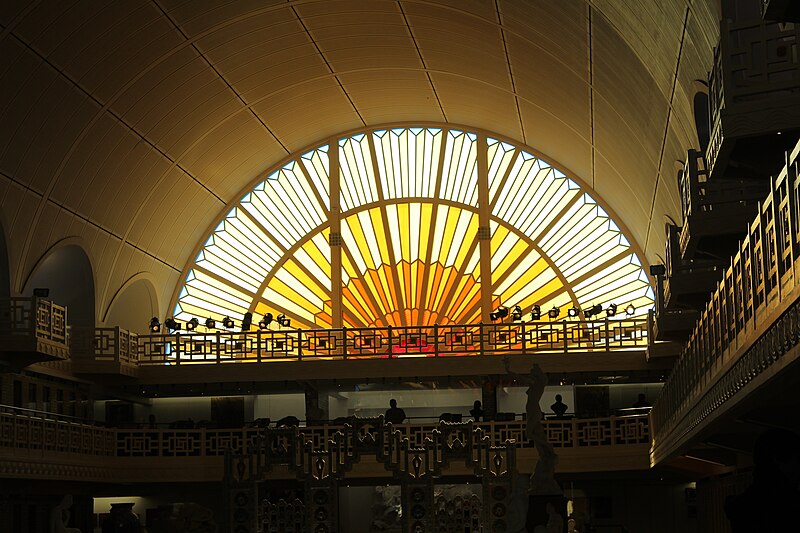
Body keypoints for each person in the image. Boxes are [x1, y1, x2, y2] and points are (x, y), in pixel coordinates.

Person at [503, 356, 560, 494]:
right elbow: (520, 378)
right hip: (532, 412)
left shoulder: (536, 383)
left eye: (532, 372)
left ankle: (548, 448)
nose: (530, 374)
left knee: (529, 434)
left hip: (534, 412)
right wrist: (508, 369)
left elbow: (519, 377)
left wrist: (508, 369)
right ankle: (546, 451)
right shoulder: (536, 384)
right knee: (537, 438)